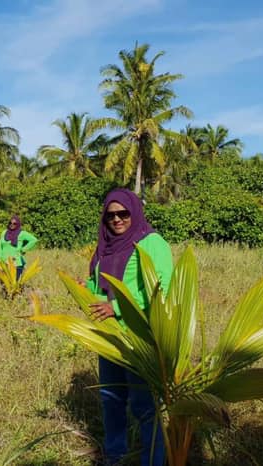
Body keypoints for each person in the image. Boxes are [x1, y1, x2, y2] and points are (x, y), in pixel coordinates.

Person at [85, 189, 172, 466]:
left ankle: (153, 461)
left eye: (123, 213)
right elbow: (100, 287)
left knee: (144, 406)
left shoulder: (152, 243)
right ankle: (115, 457)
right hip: (110, 334)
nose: (117, 219)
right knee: (111, 399)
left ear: (134, 212)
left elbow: (162, 290)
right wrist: (86, 291)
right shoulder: (105, 246)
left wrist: (118, 308)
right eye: (110, 215)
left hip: (139, 334)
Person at [0, 215, 38, 280]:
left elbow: (34, 240)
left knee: (16, 283)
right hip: (4, 263)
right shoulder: (4, 232)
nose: (12, 225)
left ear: (18, 224)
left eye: (14, 223)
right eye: (10, 223)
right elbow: (0, 247)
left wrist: (23, 249)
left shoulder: (22, 234)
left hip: (16, 262)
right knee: (4, 284)